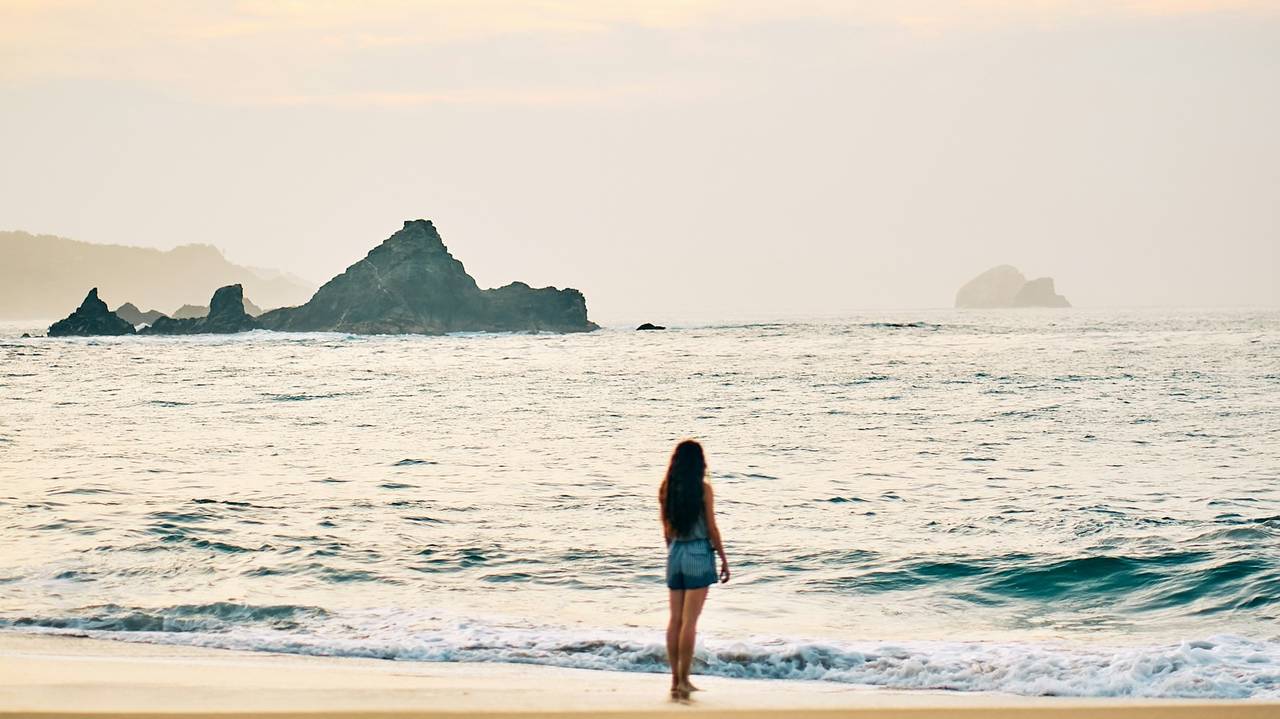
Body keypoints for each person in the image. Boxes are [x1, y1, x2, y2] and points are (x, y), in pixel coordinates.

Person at [659, 439, 730, 700]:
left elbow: (665, 528)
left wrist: (673, 551)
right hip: (698, 552)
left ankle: (674, 681)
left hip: (675, 552)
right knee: (690, 622)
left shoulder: (666, 489)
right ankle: (685, 681)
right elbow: (711, 528)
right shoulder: (703, 490)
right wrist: (723, 558)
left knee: (674, 620)